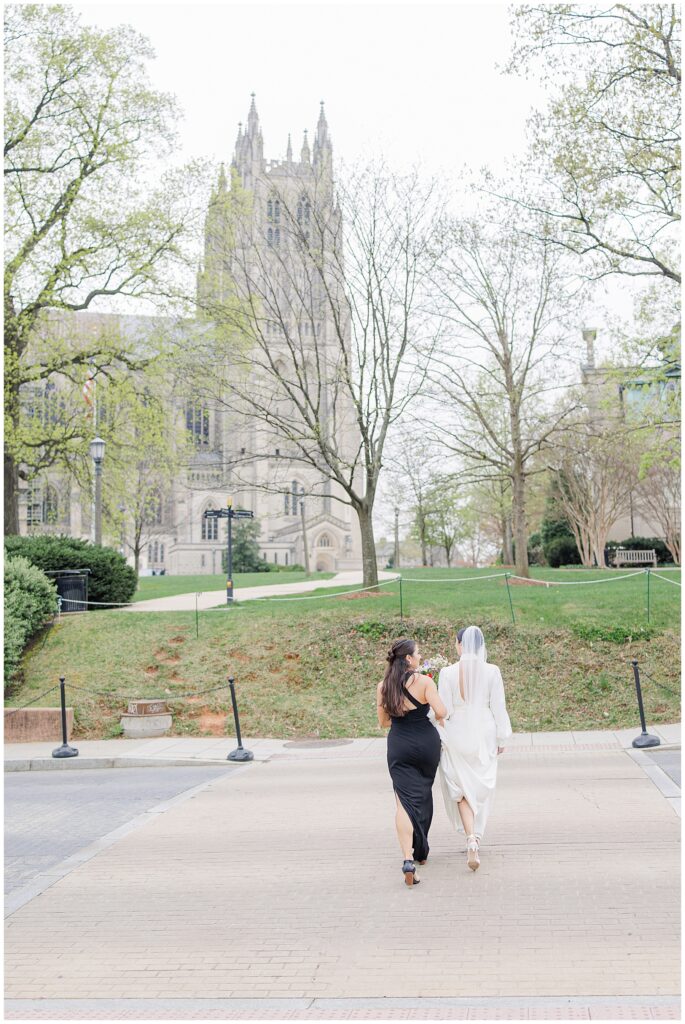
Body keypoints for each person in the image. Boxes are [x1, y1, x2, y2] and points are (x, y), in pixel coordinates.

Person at [437, 625, 512, 871]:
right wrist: (502, 737)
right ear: (481, 646)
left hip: (457, 730)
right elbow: (498, 707)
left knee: (460, 786)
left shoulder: (447, 673)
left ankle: (471, 838)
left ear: (460, 644)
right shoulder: (492, 671)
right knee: (479, 785)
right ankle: (476, 836)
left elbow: (443, 710)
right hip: (484, 732)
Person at [377, 637, 448, 887]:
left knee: (403, 801)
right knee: (423, 795)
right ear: (408, 658)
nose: (419, 656)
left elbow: (384, 722)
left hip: (399, 745)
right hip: (427, 745)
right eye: (417, 653)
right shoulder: (425, 682)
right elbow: (442, 712)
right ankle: (422, 852)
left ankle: (408, 858)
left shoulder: (384, 686)